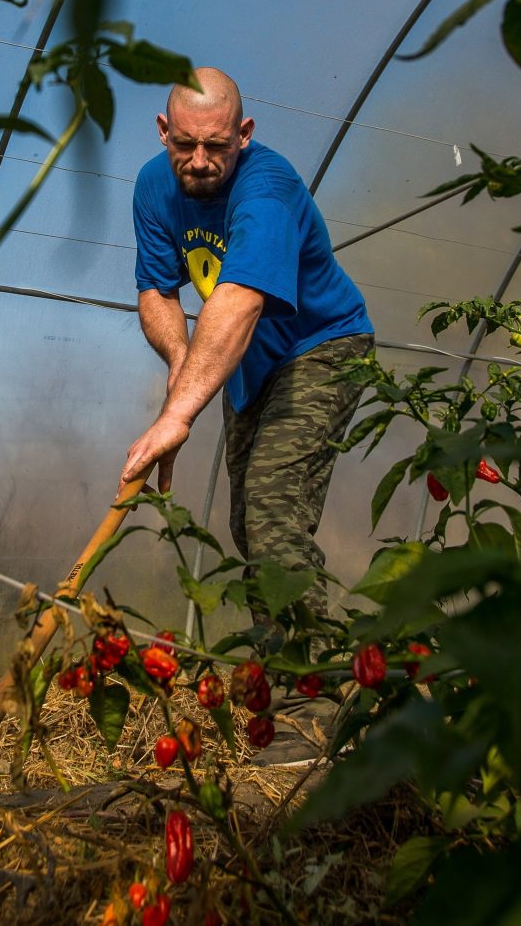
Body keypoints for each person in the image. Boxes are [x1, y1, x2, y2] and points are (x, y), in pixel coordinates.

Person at [120, 67, 373, 628]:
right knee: (247, 524)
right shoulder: (153, 186)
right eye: (185, 144)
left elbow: (238, 300)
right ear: (163, 130)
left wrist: (177, 415)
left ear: (244, 133)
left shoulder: (268, 187)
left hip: (322, 346)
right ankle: (273, 662)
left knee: (272, 509)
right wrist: (180, 363)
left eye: (217, 146)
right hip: (246, 363)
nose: (200, 161)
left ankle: (314, 668)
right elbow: (158, 291)